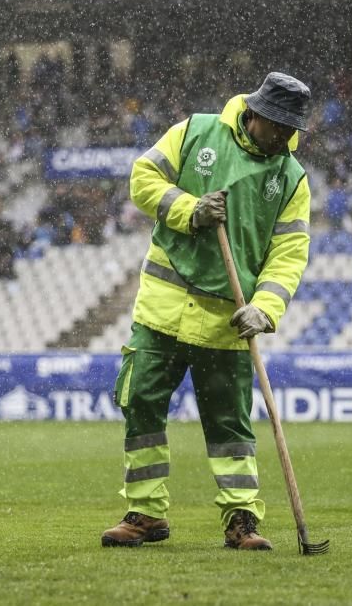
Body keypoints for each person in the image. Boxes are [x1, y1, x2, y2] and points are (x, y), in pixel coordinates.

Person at [100, 72, 312, 551]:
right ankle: (145, 514)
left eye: (289, 129)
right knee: (142, 406)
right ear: (253, 113)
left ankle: (242, 520)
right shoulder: (195, 131)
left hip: (228, 321)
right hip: (162, 311)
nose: (282, 136)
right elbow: (143, 178)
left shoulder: (292, 178)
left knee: (230, 426)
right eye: (275, 125)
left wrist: (266, 308)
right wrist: (189, 209)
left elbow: (289, 252)